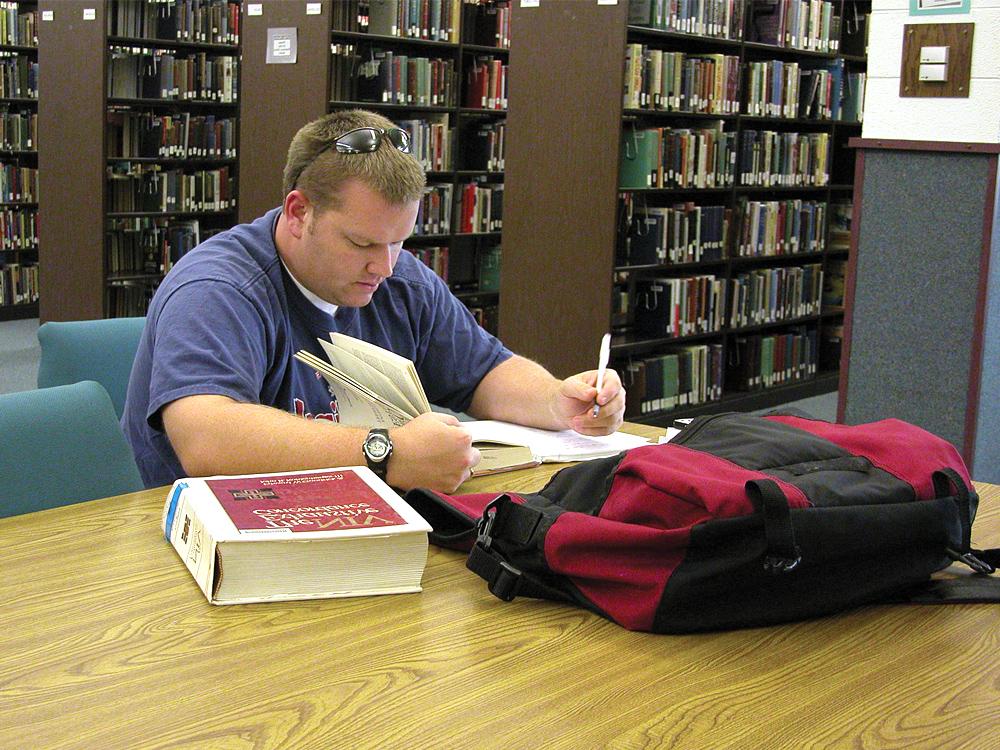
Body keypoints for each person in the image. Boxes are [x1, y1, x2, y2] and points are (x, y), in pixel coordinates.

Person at [122, 109, 625, 492]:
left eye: (399, 241)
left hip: (348, 516)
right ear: (298, 212)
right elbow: (205, 438)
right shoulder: (220, 290)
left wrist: (558, 402)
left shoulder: (398, 278)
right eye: (362, 244)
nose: (384, 267)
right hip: (205, 540)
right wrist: (385, 453)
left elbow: (484, 372)